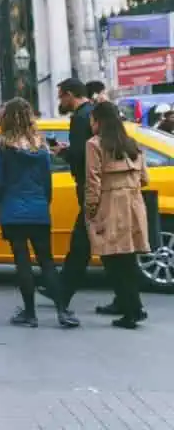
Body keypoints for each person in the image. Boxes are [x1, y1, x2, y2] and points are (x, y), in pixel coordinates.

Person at [0, 98, 80, 329]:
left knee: (22, 262)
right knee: (46, 261)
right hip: (38, 208)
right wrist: (43, 202)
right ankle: (62, 310)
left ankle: (30, 313)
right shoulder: (40, 146)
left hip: (12, 209)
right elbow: (47, 182)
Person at [86, 101, 151, 329]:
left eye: (92, 119)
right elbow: (145, 179)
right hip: (134, 203)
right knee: (128, 259)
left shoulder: (94, 145)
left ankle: (130, 309)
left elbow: (92, 181)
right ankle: (134, 306)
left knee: (112, 258)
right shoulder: (132, 144)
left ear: (99, 121)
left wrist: (91, 210)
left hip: (110, 203)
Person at [41, 79, 94, 309]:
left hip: (90, 188)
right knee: (105, 246)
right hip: (95, 187)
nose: (60, 101)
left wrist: (64, 152)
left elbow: (84, 155)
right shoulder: (93, 112)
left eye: (61, 96)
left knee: (81, 242)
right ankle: (126, 301)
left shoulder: (80, 118)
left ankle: (63, 292)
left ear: (70, 95)